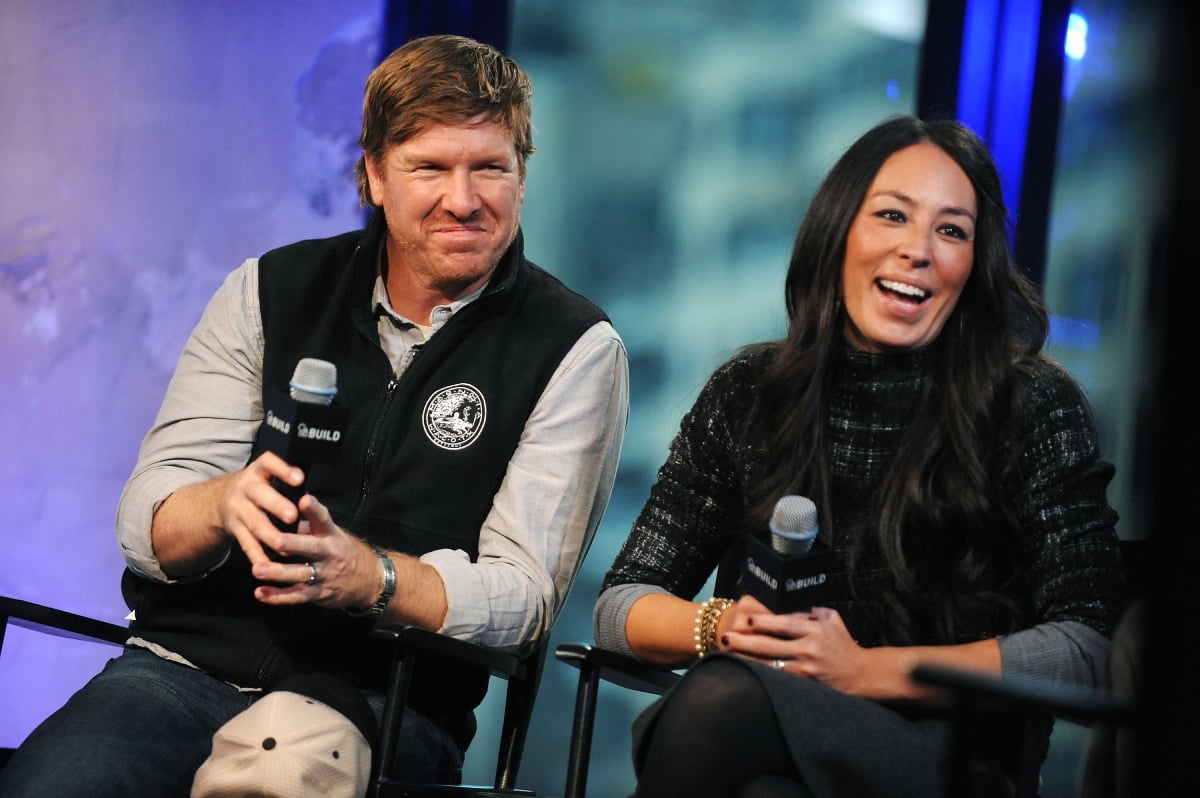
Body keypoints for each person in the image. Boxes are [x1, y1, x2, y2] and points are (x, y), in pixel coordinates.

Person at [0, 34, 627, 796]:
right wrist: (223, 504)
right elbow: (146, 526)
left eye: (489, 167)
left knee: (279, 775)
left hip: (385, 704)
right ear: (372, 175)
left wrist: (375, 578)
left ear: (522, 175)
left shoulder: (574, 346)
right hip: (179, 671)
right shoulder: (270, 288)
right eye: (430, 167)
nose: (463, 200)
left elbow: (523, 600)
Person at [593, 115, 1126, 798]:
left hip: (950, 758)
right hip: (769, 728)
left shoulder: (1032, 405)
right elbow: (619, 610)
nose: (918, 250)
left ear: (975, 264)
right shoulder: (751, 391)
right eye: (893, 216)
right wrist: (722, 625)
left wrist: (865, 670)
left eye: (951, 230)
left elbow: (1090, 648)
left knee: (720, 703)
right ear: (839, 230)